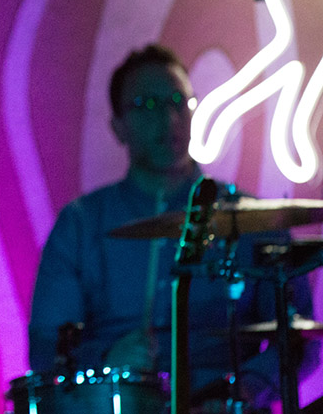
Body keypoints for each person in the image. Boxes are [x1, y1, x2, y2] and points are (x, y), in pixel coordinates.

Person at [28, 44, 317, 410]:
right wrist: (104, 358)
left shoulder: (253, 222)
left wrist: (245, 389)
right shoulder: (81, 225)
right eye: (147, 105)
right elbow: (44, 348)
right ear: (117, 127)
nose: (169, 118)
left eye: (179, 102)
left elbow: (300, 339)